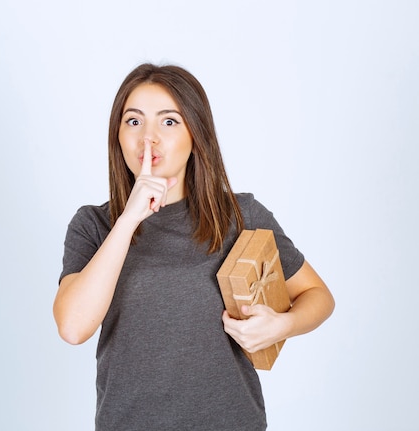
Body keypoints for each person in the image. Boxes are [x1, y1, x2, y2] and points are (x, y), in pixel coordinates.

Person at [53, 63, 335, 430]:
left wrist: (282, 325)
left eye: (169, 122)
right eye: (134, 121)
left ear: (195, 135)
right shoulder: (94, 225)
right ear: (117, 136)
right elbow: (73, 328)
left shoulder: (239, 214)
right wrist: (126, 222)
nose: (148, 139)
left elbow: (318, 295)